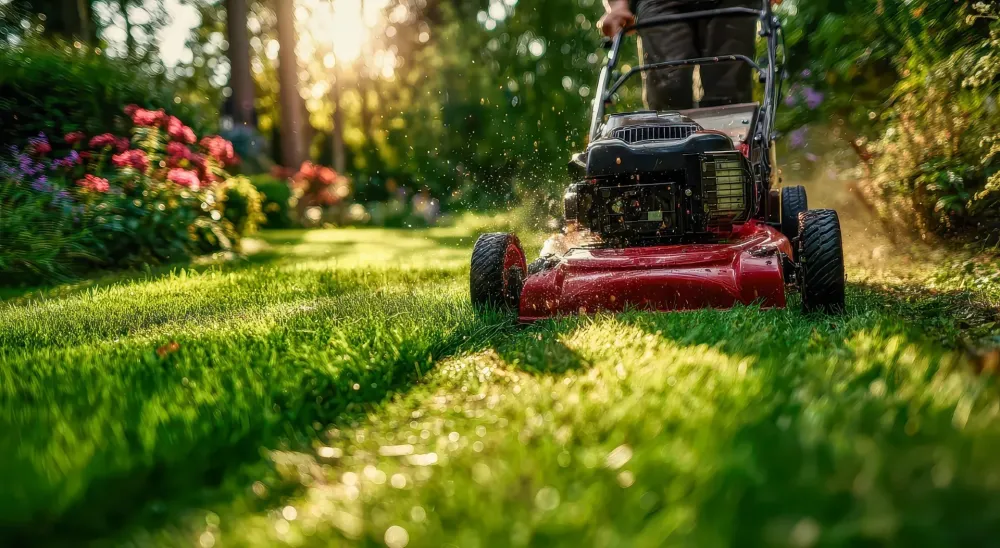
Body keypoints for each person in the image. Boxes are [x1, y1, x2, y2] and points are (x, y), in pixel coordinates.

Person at [599, 0, 757, 111]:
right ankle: (666, 144)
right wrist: (618, 4)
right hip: (661, 4)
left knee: (728, 96)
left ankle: (733, 145)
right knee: (670, 88)